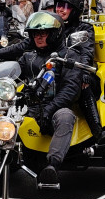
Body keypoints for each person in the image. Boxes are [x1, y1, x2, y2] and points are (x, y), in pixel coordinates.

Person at [19, 12, 83, 189]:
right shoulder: (28, 57)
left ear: (54, 34)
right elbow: (15, 73)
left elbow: (71, 89)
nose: (38, 37)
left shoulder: (69, 56)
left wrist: (49, 109)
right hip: (30, 106)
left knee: (65, 116)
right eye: (35, 34)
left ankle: (52, 165)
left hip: (55, 107)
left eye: (43, 33)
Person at [53, 0, 105, 144]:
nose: (60, 10)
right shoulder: (51, 27)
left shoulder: (85, 28)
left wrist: (85, 70)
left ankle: (98, 131)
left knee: (82, 83)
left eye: (65, 7)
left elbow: (86, 52)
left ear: (75, 9)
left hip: (80, 72)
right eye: (58, 5)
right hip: (56, 73)